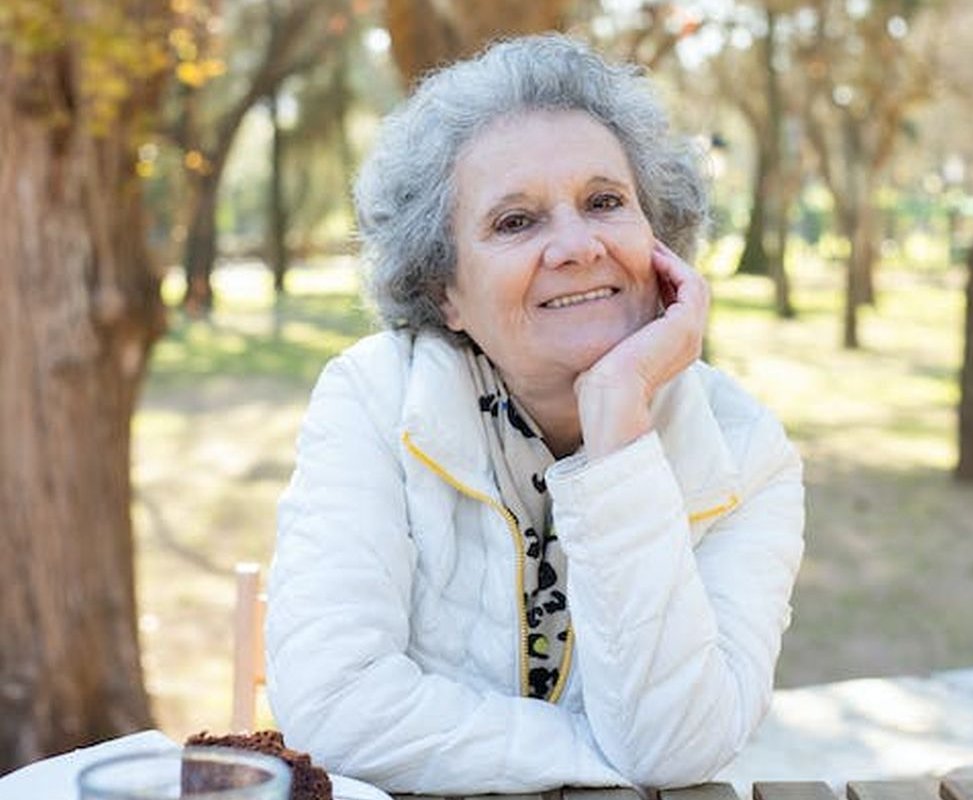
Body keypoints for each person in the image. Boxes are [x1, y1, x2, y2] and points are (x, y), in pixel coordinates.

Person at [265, 34, 805, 796]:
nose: (577, 245)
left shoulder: (748, 451)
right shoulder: (372, 398)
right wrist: (602, 755)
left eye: (605, 202)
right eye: (516, 222)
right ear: (444, 291)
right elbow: (335, 706)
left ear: (661, 242)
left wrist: (618, 424)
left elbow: (682, 744)